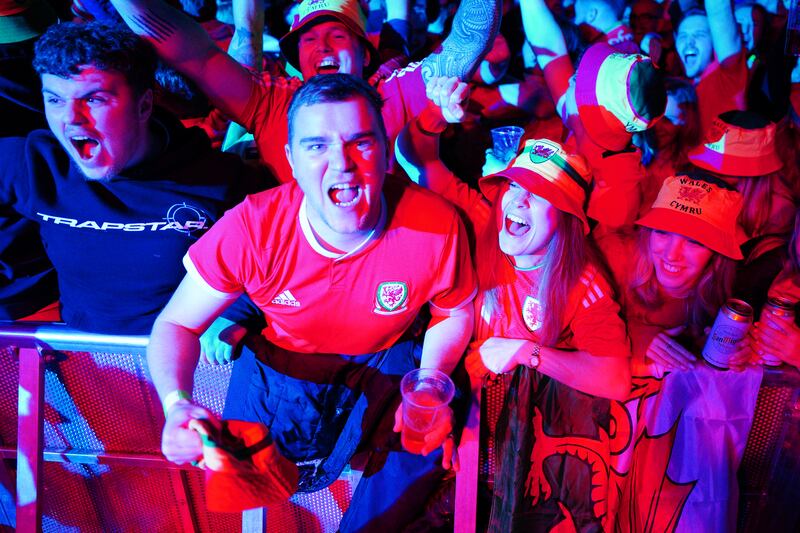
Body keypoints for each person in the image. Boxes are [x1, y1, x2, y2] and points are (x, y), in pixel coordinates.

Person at [146, 74, 476, 531]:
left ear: (384, 151)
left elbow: (453, 309)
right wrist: (176, 403)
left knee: (418, 458)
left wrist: (430, 379)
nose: (342, 164)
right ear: (291, 160)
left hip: (386, 360)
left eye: (360, 142)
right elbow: (175, 326)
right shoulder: (252, 228)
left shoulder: (435, 224)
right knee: (268, 490)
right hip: (286, 368)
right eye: (317, 145)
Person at [397, 80, 632, 530]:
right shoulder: (484, 217)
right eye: (513, 186)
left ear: (567, 222)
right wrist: (436, 114)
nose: (518, 199)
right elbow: (414, 155)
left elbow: (617, 378)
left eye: (540, 196)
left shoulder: (583, 283)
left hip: (508, 458)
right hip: (441, 417)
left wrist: (527, 353)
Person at [0, 21, 267, 334]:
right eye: (55, 100)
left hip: (188, 364)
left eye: (93, 99)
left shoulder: (221, 182)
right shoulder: (34, 163)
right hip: (82, 357)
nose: (71, 118)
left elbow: (283, 264)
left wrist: (235, 316)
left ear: (144, 105)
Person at [109, 0, 501, 182]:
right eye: (309, 40)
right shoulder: (273, 102)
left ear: (365, 56)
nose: (323, 47)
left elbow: (466, 44)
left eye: (336, 35)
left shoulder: (393, 92)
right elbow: (196, 55)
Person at [674, 0, 747, 137]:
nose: (689, 42)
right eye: (683, 36)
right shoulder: (677, 87)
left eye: (699, 35)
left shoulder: (728, 75)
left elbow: (719, 9)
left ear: (715, 43)